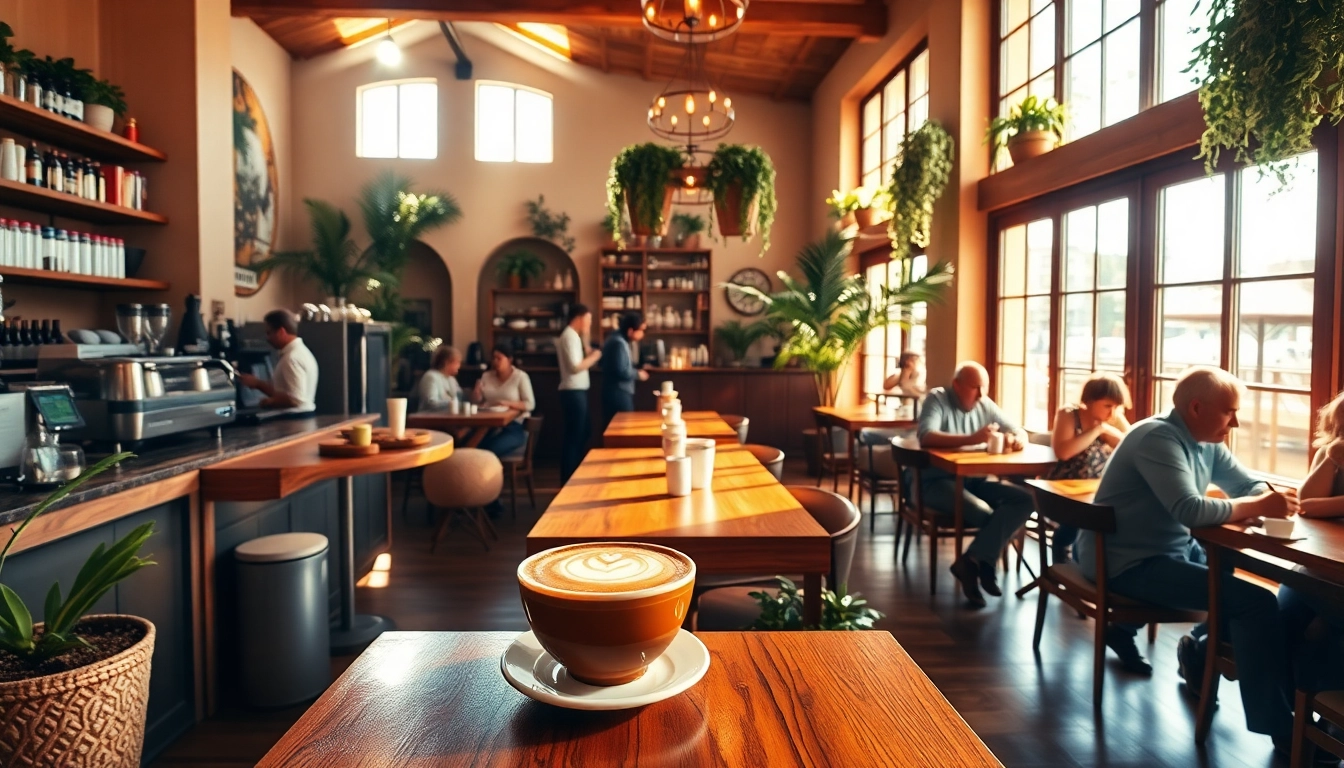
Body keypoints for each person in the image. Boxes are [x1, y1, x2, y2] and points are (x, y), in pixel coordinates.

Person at [1077, 366, 1302, 753]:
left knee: (1229, 570)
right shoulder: (1157, 438)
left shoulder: (1206, 440)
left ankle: (1198, 652)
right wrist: (1261, 504)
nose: (1236, 421)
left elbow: (1247, 484)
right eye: (1229, 411)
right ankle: (1281, 729)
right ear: (1196, 407)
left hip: (1166, 551)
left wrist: (1263, 496)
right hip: (1124, 561)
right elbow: (1190, 510)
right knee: (1256, 602)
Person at [917, 361, 1035, 609]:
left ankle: (972, 561)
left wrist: (1017, 439)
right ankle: (982, 563)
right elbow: (926, 436)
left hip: (975, 479)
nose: (981, 394)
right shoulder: (938, 399)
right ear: (957, 385)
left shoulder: (985, 403)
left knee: (1025, 499)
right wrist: (973, 438)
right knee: (984, 514)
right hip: (937, 481)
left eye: (985, 388)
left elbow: (1017, 429)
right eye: (975, 388)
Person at [1280, 390, 1344, 732]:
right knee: (1288, 615)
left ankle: (1325, 724)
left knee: (1321, 628)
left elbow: (1318, 506)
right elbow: (1307, 502)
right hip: (1318, 566)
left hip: (1336, 574)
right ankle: (1297, 711)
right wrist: (1333, 458)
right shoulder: (1331, 453)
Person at [1046, 372, 1131, 563]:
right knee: (1083, 517)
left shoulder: (1113, 419)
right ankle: (1065, 559)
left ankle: (1095, 570)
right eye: (1107, 406)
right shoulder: (1069, 414)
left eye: (1116, 406)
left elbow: (1131, 447)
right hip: (1066, 490)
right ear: (1090, 401)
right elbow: (1064, 452)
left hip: (1098, 491)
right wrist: (1097, 430)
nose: (1112, 412)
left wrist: (1111, 432)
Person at [237, 309, 318, 413]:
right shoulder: (302, 352)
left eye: (269, 333)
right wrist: (258, 384)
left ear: (281, 332)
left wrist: (270, 402)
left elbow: (296, 399)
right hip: (304, 417)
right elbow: (286, 393)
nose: (267, 338)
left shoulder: (291, 358)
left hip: (294, 420)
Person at [556, 304, 602, 483]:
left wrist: (587, 345)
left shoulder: (574, 336)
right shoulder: (569, 336)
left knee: (582, 433)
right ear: (580, 318)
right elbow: (575, 367)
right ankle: (569, 479)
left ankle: (572, 475)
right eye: (589, 320)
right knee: (575, 437)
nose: (589, 324)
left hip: (577, 392)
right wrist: (595, 357)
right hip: (572, 392)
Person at [473, 345, 535, 459]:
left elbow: (530, 404)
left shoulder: (520, 377)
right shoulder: (486, 376)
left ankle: (490, 476)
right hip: (487, 425)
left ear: (509, 359)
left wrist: (506, 403)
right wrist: (476, 394)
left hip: (514, 426)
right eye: (493, 358)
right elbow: (479, 402)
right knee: (473, 448)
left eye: (499, 358)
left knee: (488, 452)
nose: (495, 361)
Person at [601, 311, 649, 427]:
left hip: (615, 391)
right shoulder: (618, 343)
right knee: (623, 428)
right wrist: (638, 374)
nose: (643, 334)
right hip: (619, 393)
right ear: (630, 331)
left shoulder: (616, 339)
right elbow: (621, 370)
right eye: (641, 330)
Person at [415, 346, 463, 413]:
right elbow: (431, 403)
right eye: (457, 362)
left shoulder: (452, 380)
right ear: (446, 362)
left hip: (449, 419)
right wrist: (452, 404)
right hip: (430, 419)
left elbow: (460, 398)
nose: (459, 366)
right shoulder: (431, 377)